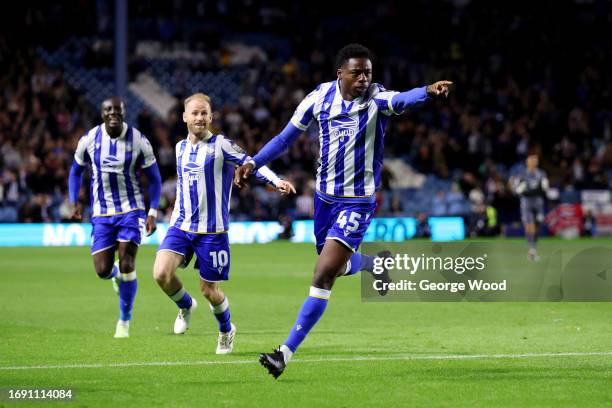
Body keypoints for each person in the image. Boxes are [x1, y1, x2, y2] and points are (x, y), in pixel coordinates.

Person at [234, 43, 452, 378]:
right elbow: (284, 139)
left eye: (368, 72)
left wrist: (427, 91)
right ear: (341, 73)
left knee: (323, 274)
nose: (364, 78)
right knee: (333, 266)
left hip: (357, 202)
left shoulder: (376, 100)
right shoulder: (318, 98)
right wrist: (253, 162)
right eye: (357, 72)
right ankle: (375, 264)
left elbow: (400, 100)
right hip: (324, 200)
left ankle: (284, 353)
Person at [153, 93, 295, 354]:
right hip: (181, 226)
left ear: (211, 117)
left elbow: (251, 162)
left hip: (213, 232)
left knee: (209, 290)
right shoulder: (179, 148)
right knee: (161, 274)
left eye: (204, 113)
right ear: (184, 117)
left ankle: (226, 330)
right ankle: (185, 305)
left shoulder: (221, 145)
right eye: (194, 113)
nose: (199, 118)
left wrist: (276, 181)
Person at [68, 96, 162, 338]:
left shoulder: (139, 140)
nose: (113, 113)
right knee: (102, 270)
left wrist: (152, 211)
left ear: (123, 112)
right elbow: (75, 171)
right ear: (102, 113)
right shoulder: (89, 139)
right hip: (101, 213)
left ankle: (124, 321)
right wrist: (74, 200)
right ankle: (115, 275)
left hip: (132, 210)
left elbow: (155, 179)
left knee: (128, 262)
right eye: (108, 109)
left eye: (117, 110)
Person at [511, 154, 549, 261]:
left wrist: (544, 187)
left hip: (538, 203)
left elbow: (545, 188)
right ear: (527, 162)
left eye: (535, 161)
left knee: (537, 226)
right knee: (529, 225)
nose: (533, 162)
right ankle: (532, 250)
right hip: (527, 203)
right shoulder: (522, 174)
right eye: (531, 160)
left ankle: (532, 245)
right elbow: (515, 189)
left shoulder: (541, 173)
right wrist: (519, 189)